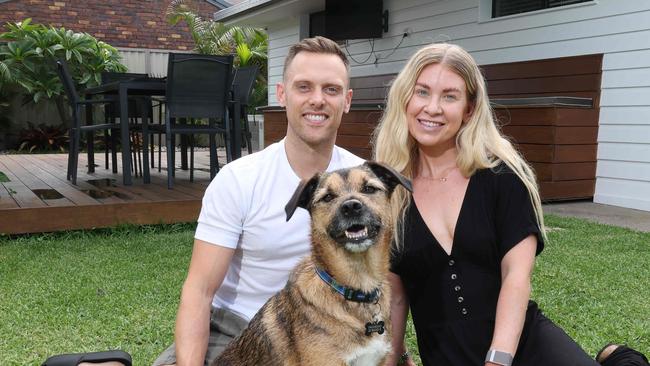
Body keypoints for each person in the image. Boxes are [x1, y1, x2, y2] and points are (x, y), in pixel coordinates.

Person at [372, 43, 649, 366]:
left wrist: (497, 360)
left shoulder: (503, 175)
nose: (432, 107)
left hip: (523, 343)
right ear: (405, 97)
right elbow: (395, 295)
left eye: (449, 96)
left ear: (469, 110)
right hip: (448, 354)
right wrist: (392, 357)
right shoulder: (386, 193)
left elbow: (516, 275)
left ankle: (619, 357)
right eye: (422, 92)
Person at [153, 36, 364, 366]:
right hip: (239, 330)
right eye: (304, 87)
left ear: (347, 100)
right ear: (282, 94)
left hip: (334, 336)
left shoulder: (363, 184)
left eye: (331, 89)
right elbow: (199, 291)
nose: (318, 100)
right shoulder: (240, 179)